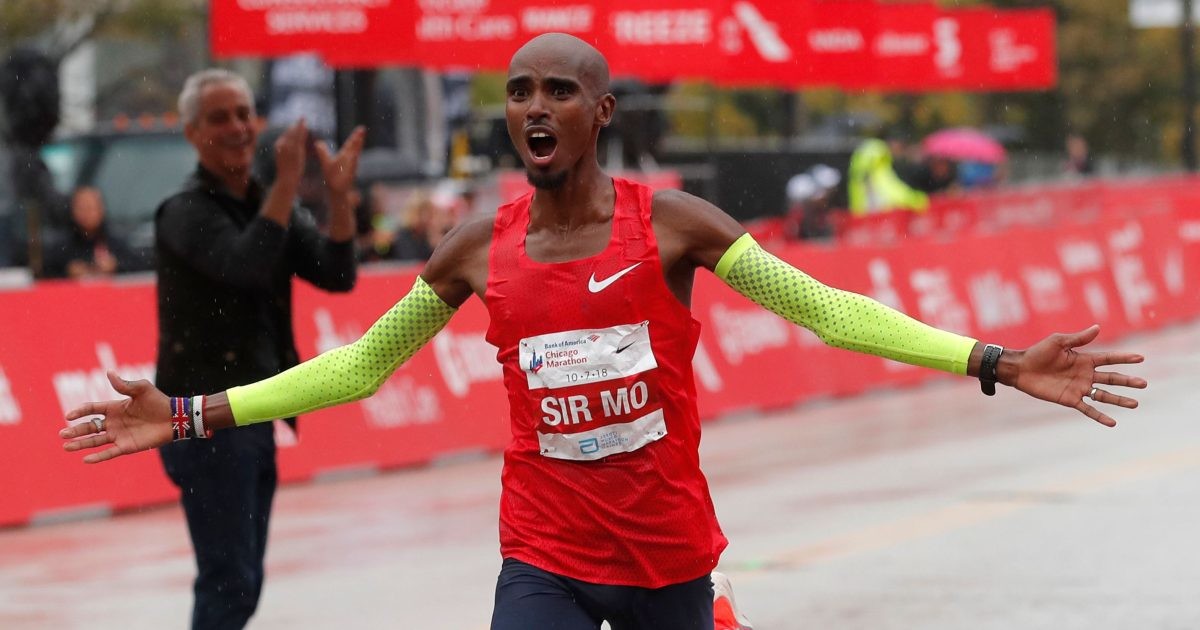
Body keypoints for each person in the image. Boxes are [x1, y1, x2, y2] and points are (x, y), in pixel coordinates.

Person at [60, 35, 1146, 630]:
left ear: (601, 112)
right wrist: (193, 412)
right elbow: (358, 368)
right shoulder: (477, 248)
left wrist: (994, 360)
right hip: (544, 555)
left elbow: (828, 309)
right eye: (518, 92)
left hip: (667, 555)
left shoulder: (675, 227)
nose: (534, 107)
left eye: (559, 92)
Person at [148, 69, 364, 629]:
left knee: (241, 584)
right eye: (220, 117)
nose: (238, 127)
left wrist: (338, 198)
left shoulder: (268, 205)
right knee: (230, 582)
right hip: (202, 423)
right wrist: (287, 184)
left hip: (253, 413)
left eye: (244, 114)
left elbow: (337, 274)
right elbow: (244, 264)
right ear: (192, 133)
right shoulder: (184, 210)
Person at [43, 186, 135, 279]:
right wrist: (67, 272)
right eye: (81, 208)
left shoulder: (116, 243)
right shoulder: (61, 247)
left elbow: (137, 267)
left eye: (90, 207)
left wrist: (116, 266)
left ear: (101, 209)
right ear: (72, 210)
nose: (86, 213)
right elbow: (44, 273)